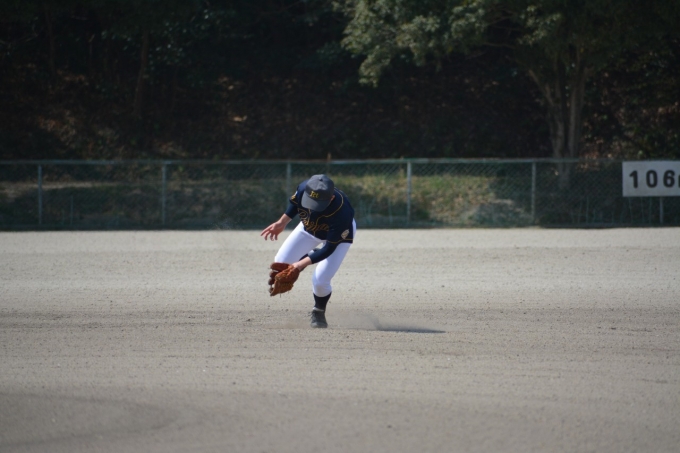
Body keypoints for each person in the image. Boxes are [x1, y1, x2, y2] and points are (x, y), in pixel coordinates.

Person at [260, 174, 356, 328]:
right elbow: (295, 204)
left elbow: (329, 248)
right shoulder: (305, 187)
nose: (312, 206)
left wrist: (299, 265)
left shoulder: (343, 212)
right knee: (281, 262)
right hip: (309, 229)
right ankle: (310, 256)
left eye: (318, 203)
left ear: (331, 198)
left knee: (320, 280)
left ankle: (318, 311)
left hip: (336, 239)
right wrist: (281, 222)